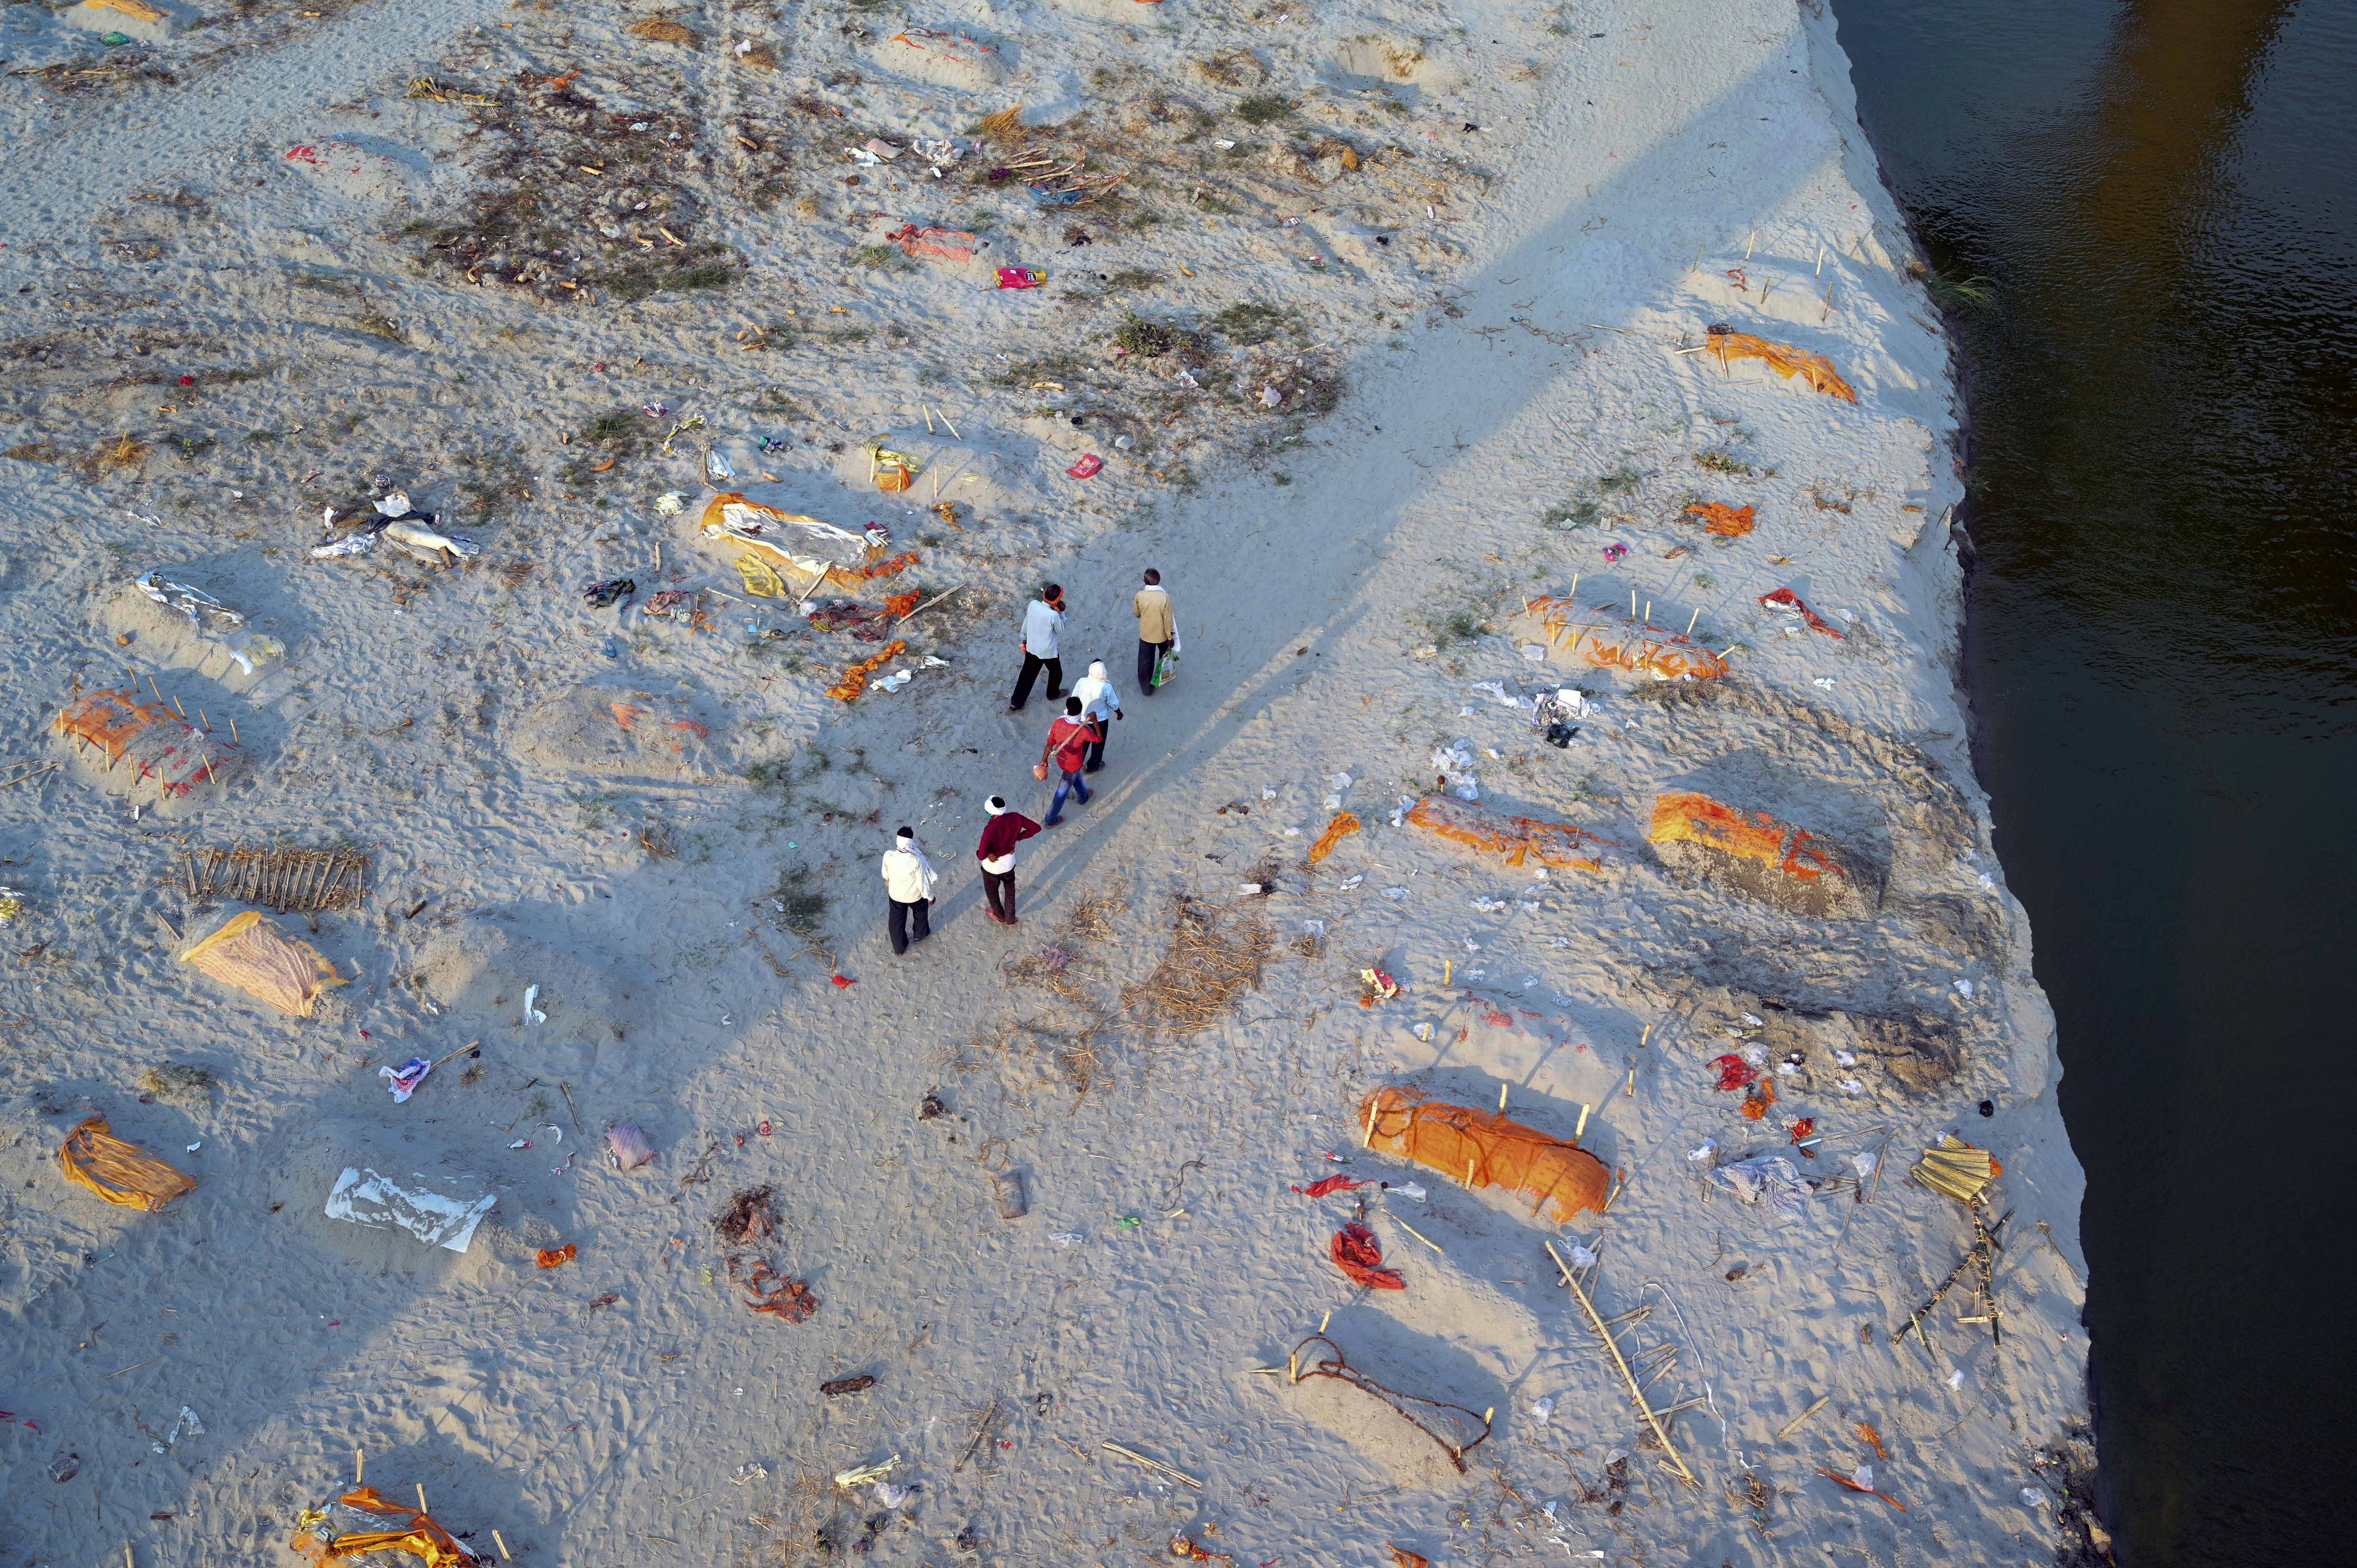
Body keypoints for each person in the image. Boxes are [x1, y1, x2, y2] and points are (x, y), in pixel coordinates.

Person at [974, 795, 1042, 925]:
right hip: (1009, 863)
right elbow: (1036, 828)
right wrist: (1018, 838)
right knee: (1010, 889)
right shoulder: (1016, 817)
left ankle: (1000, 916)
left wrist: (988, 853)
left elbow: (981, 855)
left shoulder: (990, 830)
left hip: (992, 868)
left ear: (991, 814)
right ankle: (1011, 919)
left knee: (992, 893)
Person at [1034, 696, 1102, 826]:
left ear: (1067, 709)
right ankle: (1050, 819)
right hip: (1074, 764)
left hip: (1062, 761)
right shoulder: (1084, 730)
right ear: (1081, 711)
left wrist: (1044, 760)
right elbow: (1099, 739)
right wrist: (1095, 721)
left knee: (1075, 777)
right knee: (1062, 792)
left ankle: (1084, 796)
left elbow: (1050, 744)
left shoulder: (1058, 723)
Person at [879, 827, 939, 955]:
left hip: (895, 895)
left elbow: (885, 874)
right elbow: (922, 884)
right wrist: (930, 897)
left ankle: (899, 949)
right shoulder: (916, 860)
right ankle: (919, 936)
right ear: (911, 841)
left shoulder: (888, 855)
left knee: (896, 922)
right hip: (915, 896)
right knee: (921, 912)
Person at [1009, 583, 1067, 713]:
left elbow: (1027, 620)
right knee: (1056, 672)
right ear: (1057, 600)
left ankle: (1016, 702)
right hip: (1047, 651)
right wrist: (1062, 613)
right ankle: (1053, 694)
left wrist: (1024, 637)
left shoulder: (1033, 604)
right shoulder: (1054, 615)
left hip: (1032, 647)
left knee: (1026, 675)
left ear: (1045, 594)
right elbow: (1060, 630)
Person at [1069, 658, 1122, 773]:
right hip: (1100, 721)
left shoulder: (1082, 681)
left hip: (1082, 720)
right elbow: (1114, 703)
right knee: (1099, 743)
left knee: (1082, 744)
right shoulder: (1107, 686)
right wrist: (1119, 713)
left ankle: (1077, 765)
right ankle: (1093, 766)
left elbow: (1074, 697)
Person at [1134, 568, 1176, 694]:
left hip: (1146, 635)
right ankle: (1164, 677)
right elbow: (1168, 619)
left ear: (1146, 581)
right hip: (1162, 635)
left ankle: (1147, 689)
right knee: (1164, 656)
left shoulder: (1140, 595)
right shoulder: (1165, 597)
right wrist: (1170, 637)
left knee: (1145, 662)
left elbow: (1137, 614)